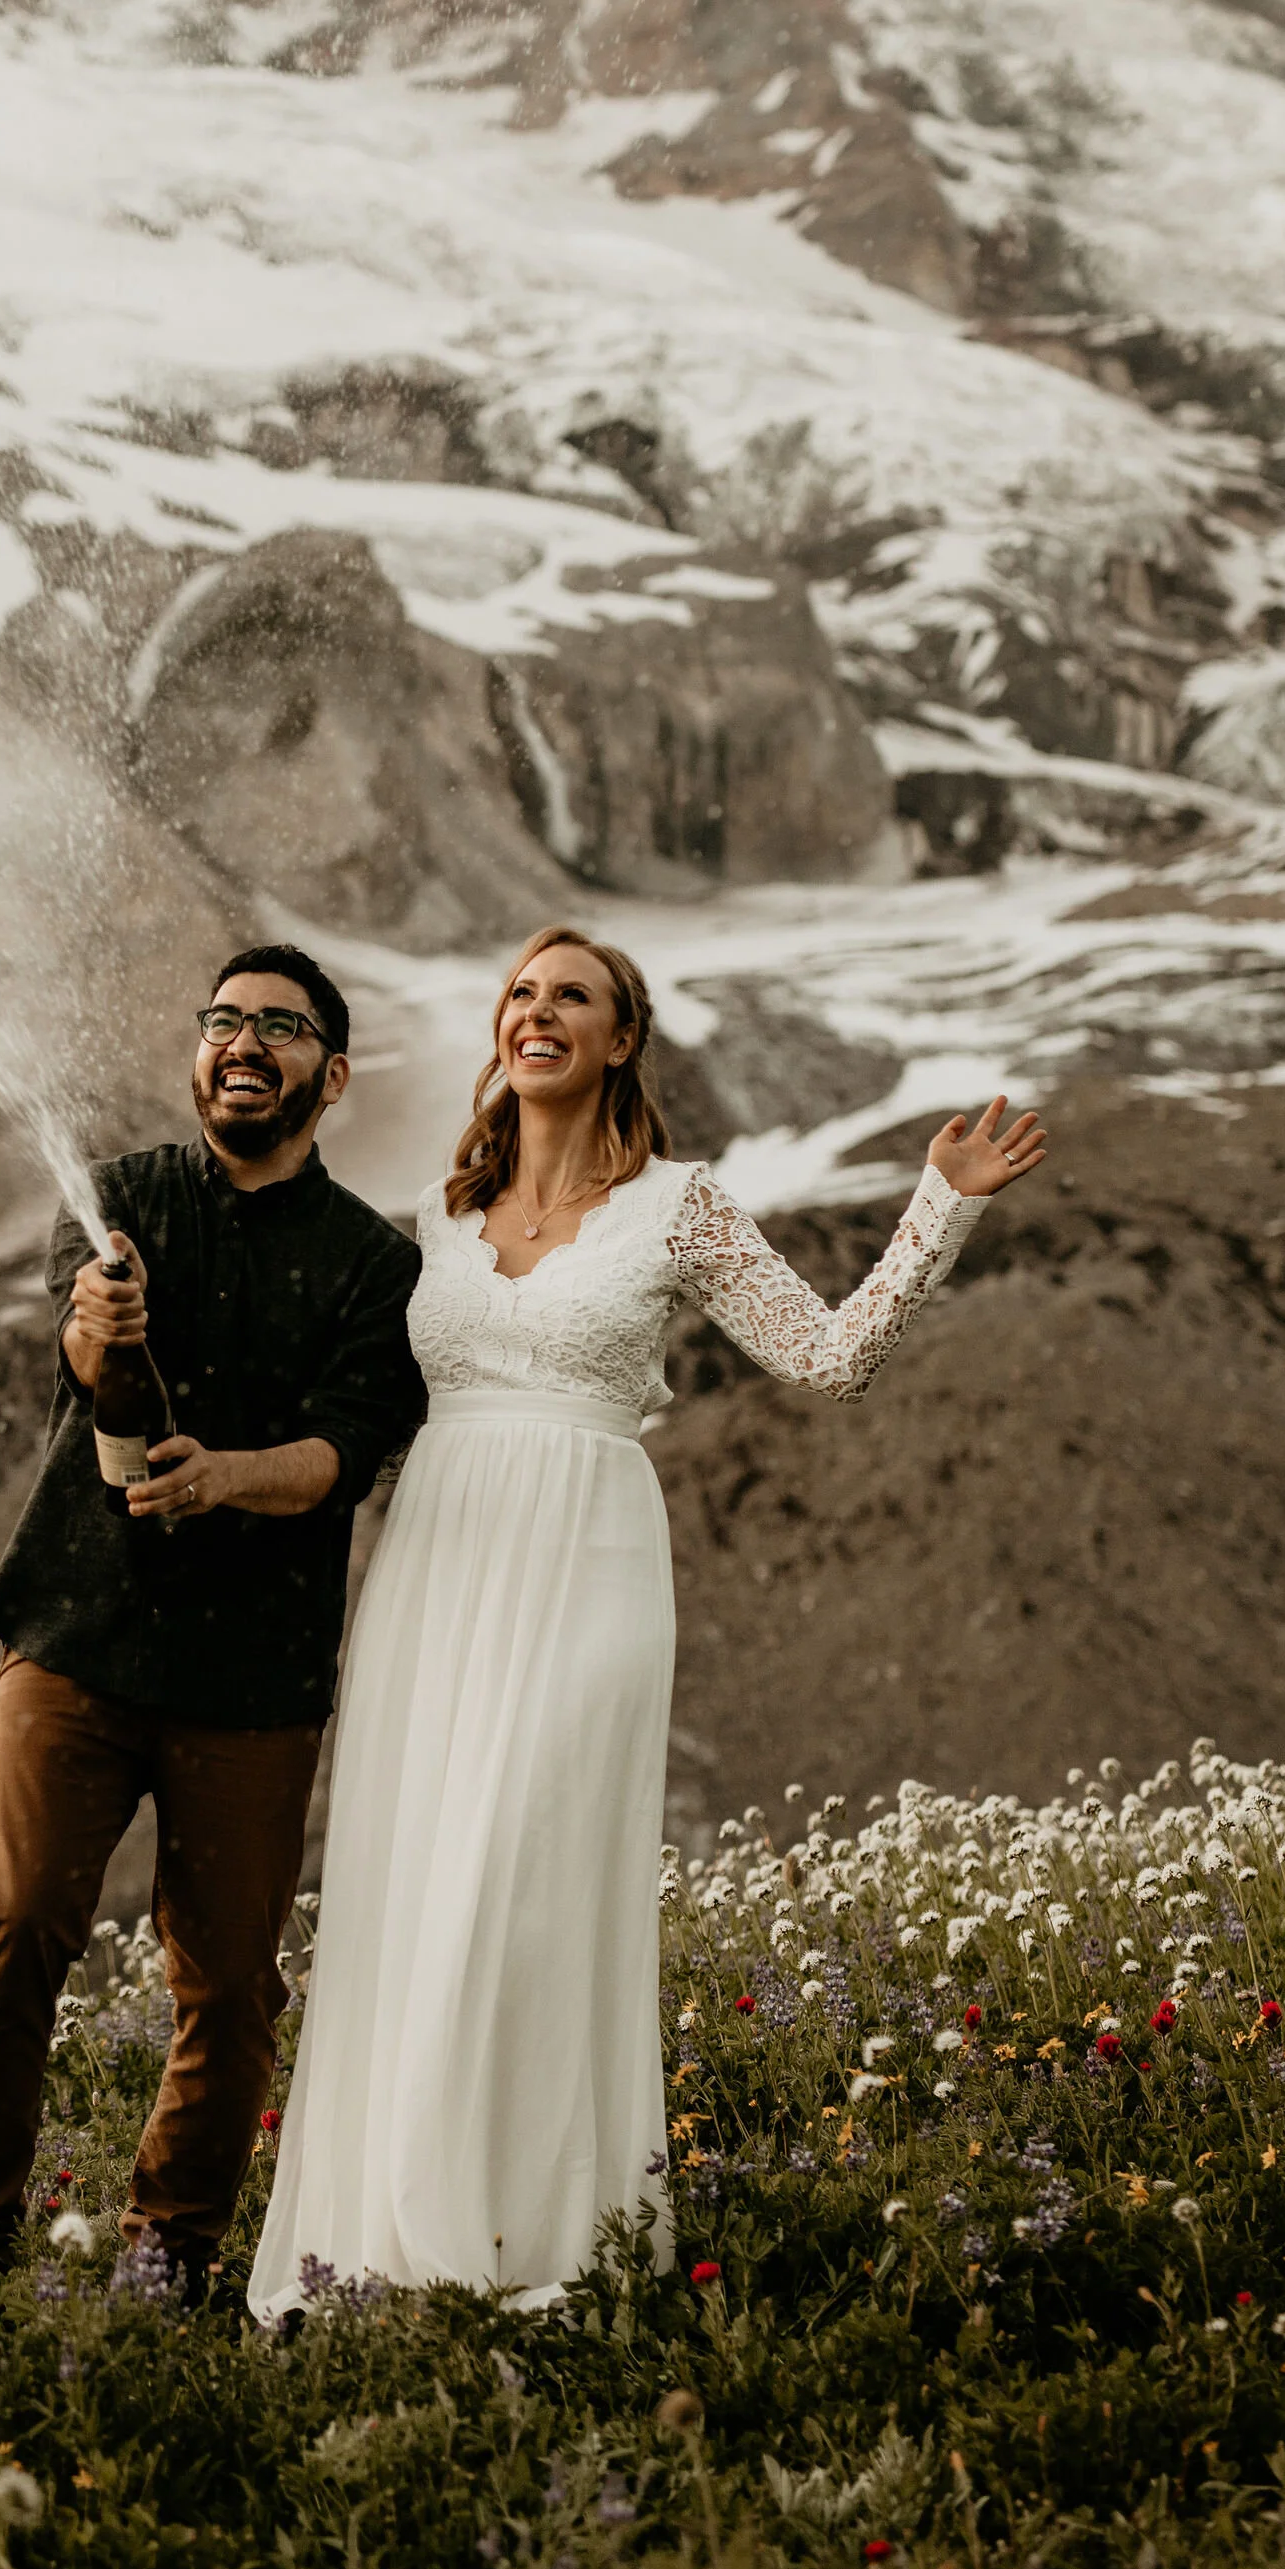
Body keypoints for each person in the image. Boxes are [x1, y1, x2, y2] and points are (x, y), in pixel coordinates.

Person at [248, 922, 1046, 2321]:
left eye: (574, 995)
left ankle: (532, 2239)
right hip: (436, 1560)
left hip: (589, 1561)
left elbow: (831, 1357)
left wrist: (942, 1206)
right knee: (419, 1883)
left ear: (622, 1041)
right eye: (521, 991)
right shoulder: (436, 1218)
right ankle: (384, 2244)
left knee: (525, 1879)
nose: (536, 1009)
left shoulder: (682, 1209)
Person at [0, 942, 426, 2303]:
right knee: (15, 1924)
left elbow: (345, 1451)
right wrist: (98, 1329)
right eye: (222, 1021)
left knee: (228, 1985)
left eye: (279, 1026)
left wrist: (230, 1480)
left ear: (332, 1078)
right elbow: (84, 1374)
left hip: (253, 1677)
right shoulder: (123, 1204)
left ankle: (172, 2247)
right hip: (77, 1638)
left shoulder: (377, 1268)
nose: (243, 1042)